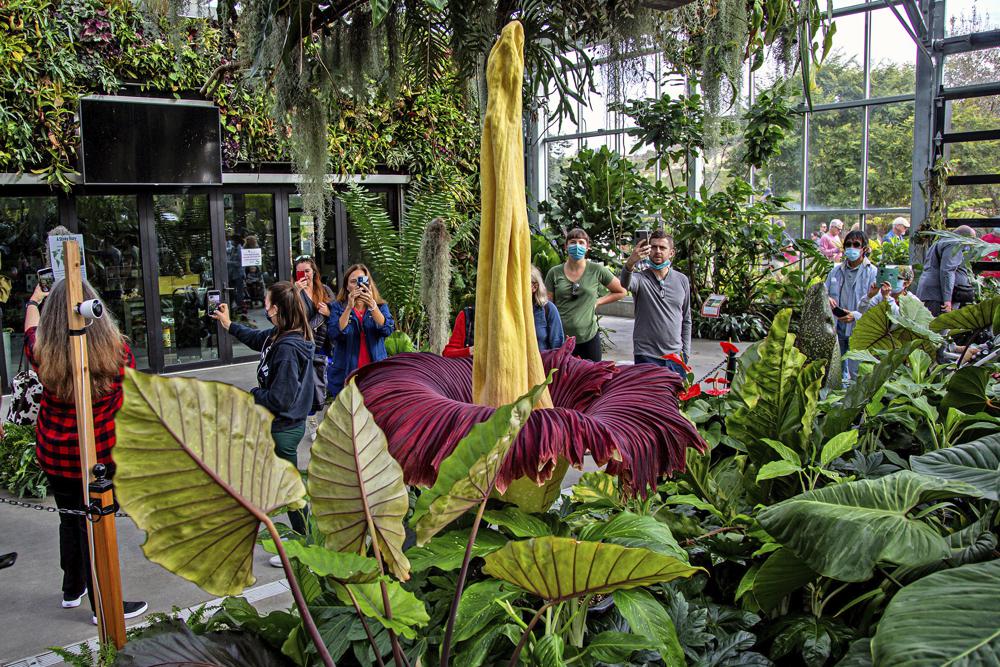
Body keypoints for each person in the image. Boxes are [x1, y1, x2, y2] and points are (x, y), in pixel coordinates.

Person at [24, 278, 147, 623]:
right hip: (102, 457)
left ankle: (72, 588)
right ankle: (104, 605)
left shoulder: (42, 352)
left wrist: (34, 303)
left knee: (70, 518)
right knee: (95, 527)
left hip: (57, 455)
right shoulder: (118, 352)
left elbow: (31, 331)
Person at [212, 282, 314, 550]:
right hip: (278, 426)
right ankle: (299, 540)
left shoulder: (288, 349)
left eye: (267, 302)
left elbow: (281, 399)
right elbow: (258, 339)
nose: (264, 305)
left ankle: (304, 545)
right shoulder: (278, 335)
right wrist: (229, 324)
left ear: (276, 309)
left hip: (283, 429)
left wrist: (254, 394)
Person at [544, 229, 627, 362]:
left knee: (593, 378)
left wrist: (598, 302)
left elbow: (621, 291)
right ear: (566, 246)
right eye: (573, 242)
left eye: (581, 242)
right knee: (564, 379)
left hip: (589, 337)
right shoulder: (554, 273)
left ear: (588, 247)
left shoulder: (596, 270)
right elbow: (548, 305)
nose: (577, 246)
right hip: (561, 338)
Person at [445, 266, 564, 357]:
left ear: (534, 287)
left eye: (519, 283)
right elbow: (448, 353)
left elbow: (558, 351)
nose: (513, 287)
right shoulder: (473, 315)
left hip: (539, 378)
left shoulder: (547, 310)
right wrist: (472, 351)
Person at [620, 231, 691, 377]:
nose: (657, 251)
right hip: (646, 355)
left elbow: (686, 319)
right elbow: (624, 284)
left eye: (662, 248)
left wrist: (686, 353)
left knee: (676, 399)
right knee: (647, 399)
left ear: (671, 253)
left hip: (675, 357)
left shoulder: (682, 280)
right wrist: (630, 262)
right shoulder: (640, 279)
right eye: (653, 247)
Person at [327, 264, 394, 397]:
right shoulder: (338, 307)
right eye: (353, 282)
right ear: (347, 286)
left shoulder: (380, 306)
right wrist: (348, 308)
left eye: (362, 281)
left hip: (374, 373)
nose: (358, 285)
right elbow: (334, 333)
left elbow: (387, 329)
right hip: (346, 372)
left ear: (369, 284)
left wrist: (372, 306)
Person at [826, 229, 878, 382]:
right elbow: (824, 291)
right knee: (836, 370)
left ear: (865, 249)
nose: (851, 248)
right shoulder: (835, 271)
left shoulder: (872, 273)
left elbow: (876, 304)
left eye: (856, 245)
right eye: (848, 245)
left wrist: (855, 315)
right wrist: (827, 297)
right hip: (838, 326)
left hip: (859, 327)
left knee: (857, 372)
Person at [294, 256, 334, 415]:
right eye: (299, 272)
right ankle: (311, 416)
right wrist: (295, 293)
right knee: (310, 382)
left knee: (327, 380)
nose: (304, 274)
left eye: (307, 271)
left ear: (314, 271)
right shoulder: (293, 293)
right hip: (307, 343)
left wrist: (328, 312)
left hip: (327, 342)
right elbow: (293, 318)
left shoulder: (324, 289)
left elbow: (337, 311)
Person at [915, 226, 977, 316]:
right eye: (971, 240)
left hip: (932, 292)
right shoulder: (953, 243)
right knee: (938, 327)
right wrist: (947, 299)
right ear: (965, 237)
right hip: (937, 296)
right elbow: (947, 271)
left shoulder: (943, 240)